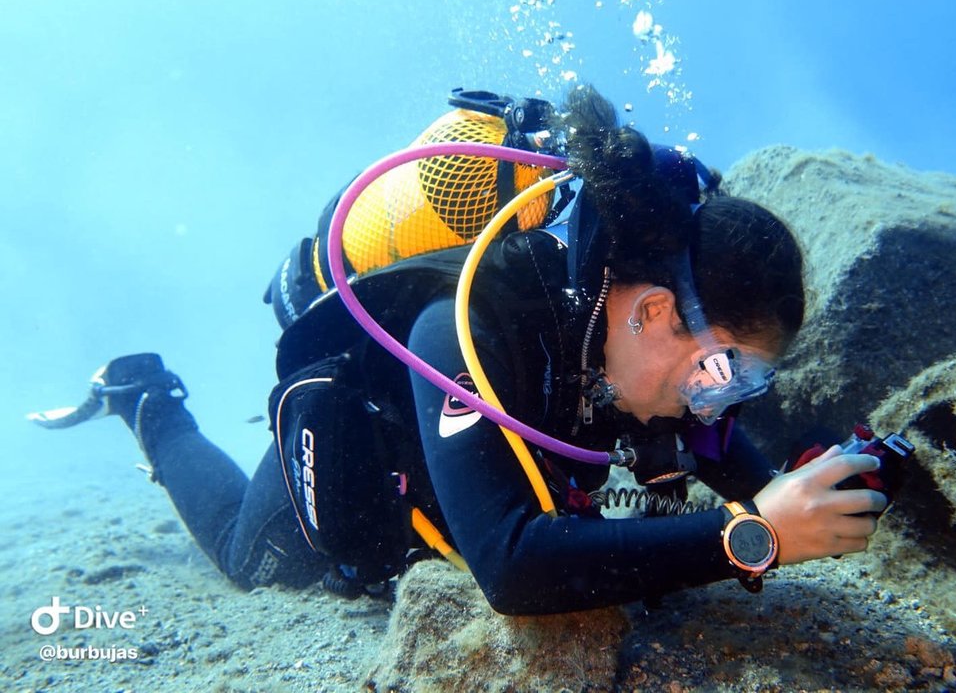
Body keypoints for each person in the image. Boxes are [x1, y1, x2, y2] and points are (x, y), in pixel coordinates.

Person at [32, 85, 886, 614]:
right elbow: (513, 571)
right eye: (720, 369)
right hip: (361, 461)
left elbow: (745, 469)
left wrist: (831, 483)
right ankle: (146, 398)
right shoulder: (464, 324)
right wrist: (752, 536)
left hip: (459, 486)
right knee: (243, 558)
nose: (718, 402)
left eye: (746, 381)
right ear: (653, 310)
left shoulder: (627, 353)